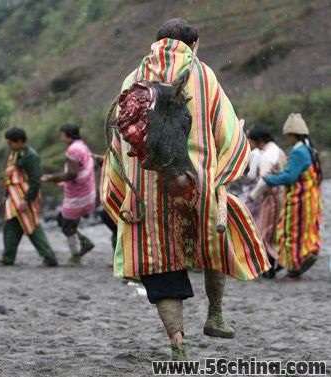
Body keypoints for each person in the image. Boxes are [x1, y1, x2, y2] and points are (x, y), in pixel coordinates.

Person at [101, 18, 269, 360]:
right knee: (214, 242)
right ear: (194, 45)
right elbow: (229, 132)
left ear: (157, 42)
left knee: (159, 263)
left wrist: (127, 186)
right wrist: (224, 170)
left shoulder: (133, 79)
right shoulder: (204, 76)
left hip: (147, 191)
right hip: (197, 182)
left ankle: (178, 345)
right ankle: (216, 314)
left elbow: (118, 144)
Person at [263, 113, 322, 278]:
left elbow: (289, 177)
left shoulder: (298, 152)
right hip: (312, 198)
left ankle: (295, 264)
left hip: (299, 199)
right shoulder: (311, 149)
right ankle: (307, 254)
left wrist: (269, 179)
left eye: (288, 136)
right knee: (307, 229)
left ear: (291, 135)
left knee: (291, 230)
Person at [1, 127, 58, 267]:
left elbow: (35, 180)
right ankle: (8, 258)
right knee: (11, 225)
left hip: (24, 196)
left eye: (10, 143)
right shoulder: (16, 153)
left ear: (19, 141)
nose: (9, 146)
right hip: (14, 197)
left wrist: (26, 200)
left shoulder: (30, 156)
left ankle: (49, 257)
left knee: (31, 226)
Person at [41, 124, 96, 266]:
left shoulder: (73, 150)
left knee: (67, 225)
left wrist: (52, 178)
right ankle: (84, 242)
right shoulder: (82, 146)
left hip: (78, 196)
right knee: (64, 221)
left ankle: (76, 255)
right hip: (86, 192)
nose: (61, 137)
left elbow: (72, 173)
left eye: (62, 134)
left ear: (67, 135)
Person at [246, 124, 286, 278]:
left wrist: (252, 196)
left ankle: (269, 268)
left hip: (270, 198)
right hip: (279, 196)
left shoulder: (267, 156)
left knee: (264, 232)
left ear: (259, 140)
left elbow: (264, 180)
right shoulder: (277, 150)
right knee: (272, 232)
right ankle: (272, 266)